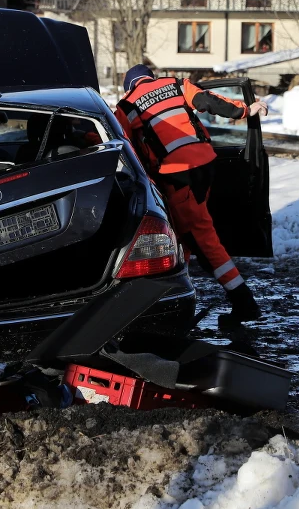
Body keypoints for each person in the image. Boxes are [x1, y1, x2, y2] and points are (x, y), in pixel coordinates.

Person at [114, 64, 269, 328]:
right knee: (181, 233)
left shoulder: (126, 106)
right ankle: (179, 295)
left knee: (200, 237)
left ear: (130, 85)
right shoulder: (174, 84)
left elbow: (118, 142)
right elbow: (209, 101)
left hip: (177, 173)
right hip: (206, 163)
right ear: (150, 78)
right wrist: (245, 109)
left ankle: (244, 302)